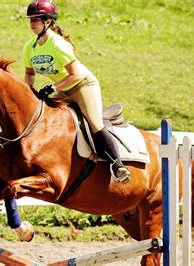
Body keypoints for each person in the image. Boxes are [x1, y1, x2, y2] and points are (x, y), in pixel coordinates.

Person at [23, 0, 130, 183]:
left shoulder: (58, 44)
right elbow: (29, 74)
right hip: (62, 89)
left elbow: (76, 74)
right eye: (31, 20)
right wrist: (28, 91)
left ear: (48, 22)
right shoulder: (29, 47)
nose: (32, 23)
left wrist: (54, 88)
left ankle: (118, 165)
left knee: (95, 123)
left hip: (82, 85)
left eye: (36, 20)